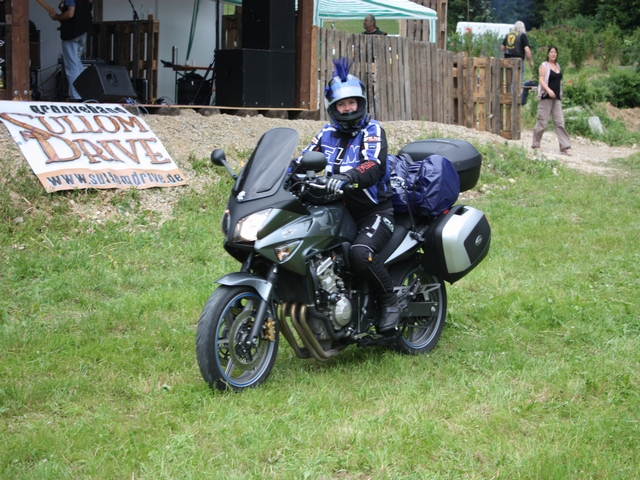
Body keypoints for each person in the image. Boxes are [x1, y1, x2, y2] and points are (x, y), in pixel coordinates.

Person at [297, 57, 399, 332]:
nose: (347, 108)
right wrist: (285, 175)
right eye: (341, 104)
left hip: (373, 210)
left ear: (361, 103)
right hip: (336, 208)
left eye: (352, 102)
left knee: (359, 253)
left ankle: (390, 301)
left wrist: (347, 177)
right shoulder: (326, 132)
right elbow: (303, 159)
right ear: (332, 108)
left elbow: (373, 164)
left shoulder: (372, 130)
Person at [532, 46, 572, 155]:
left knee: (560, 122)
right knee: (542, 121)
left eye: (555, 52)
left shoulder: (557, 66)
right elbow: (541, 80)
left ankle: (564, 146)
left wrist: (559, 93)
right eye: (551, 52)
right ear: (548, 54)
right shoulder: (544, 65)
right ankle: (536, 144)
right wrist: (548, 90)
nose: (553, 54)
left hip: (556, 98)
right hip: (546, 97)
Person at [49, 0, 93, 101]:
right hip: (83, 31)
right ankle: (83, 93)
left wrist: (56, 17)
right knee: (77, 63)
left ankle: (76, 96)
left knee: (72, 65)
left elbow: (70, 13)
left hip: (72, 32)